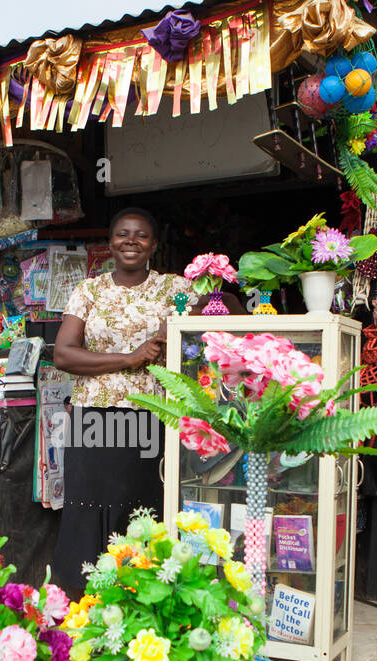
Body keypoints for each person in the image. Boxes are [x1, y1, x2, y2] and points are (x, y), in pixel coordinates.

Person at [50, 207, 243, 592]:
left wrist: (212, 290)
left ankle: (138, 595)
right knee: (90, 505)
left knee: (142, 504)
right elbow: (63, 354)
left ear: (154, 245)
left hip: (151, 416)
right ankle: (83, 598)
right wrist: (130, 358)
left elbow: (231, 316)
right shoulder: (89, 291)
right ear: (110, 243)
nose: (131, 241)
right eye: (123, 234)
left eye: (140, 235)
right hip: (94, 418)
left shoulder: (175, 289)